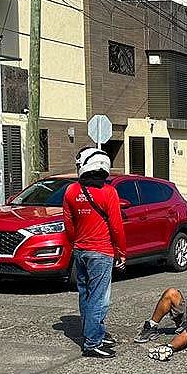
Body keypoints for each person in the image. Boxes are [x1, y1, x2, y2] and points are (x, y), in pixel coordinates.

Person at [63, 147, 127, 358]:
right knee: (99, 298)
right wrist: (121, 251)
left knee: (86, 295)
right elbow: (117, 226)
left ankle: (93, 331)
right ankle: (93, 342)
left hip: (80, 251)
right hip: (101, 251)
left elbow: (68, 224)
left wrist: (76, 242)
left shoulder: (71, 191)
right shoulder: (109, 192)